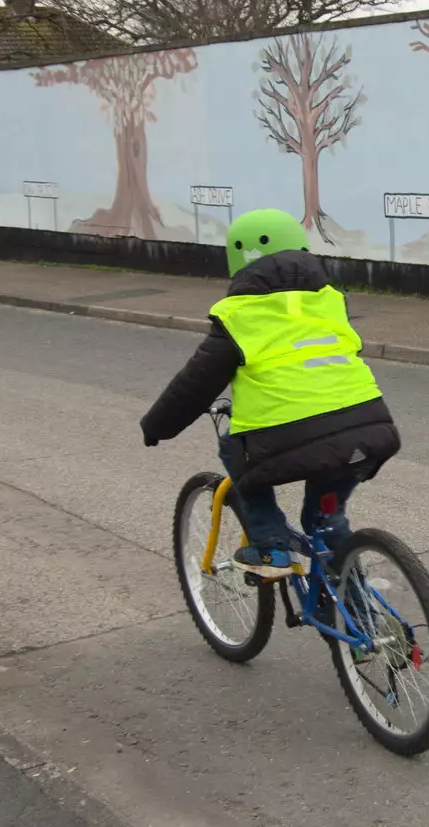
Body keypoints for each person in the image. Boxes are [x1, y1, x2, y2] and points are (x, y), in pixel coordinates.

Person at [140, 208, 400, 578]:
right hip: (370, 428)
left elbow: (194, 385)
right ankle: (355, 613)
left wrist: (156, 427)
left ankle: (270, 547)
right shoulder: (329, 300)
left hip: (286, 437)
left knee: (233, 446)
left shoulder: (238, 315)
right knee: (325, 519)